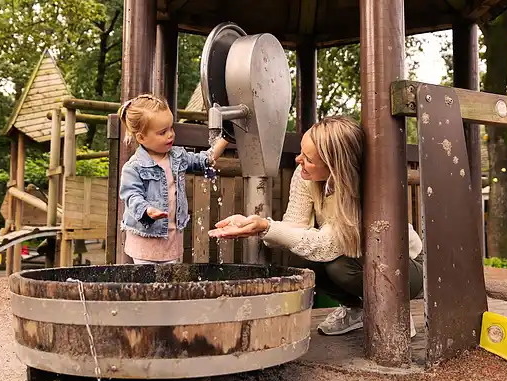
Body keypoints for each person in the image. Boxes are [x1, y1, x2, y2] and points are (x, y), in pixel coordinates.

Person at [208, 115, 423, 337]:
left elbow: (327, 245)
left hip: (405, 269)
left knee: (339, 267)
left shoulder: (365, 189)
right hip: (355, 257)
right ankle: (356, 310)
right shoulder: (305, 177)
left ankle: (394, 308)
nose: (298, 160)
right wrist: (255, 224)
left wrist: (265, 227)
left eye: (308, 158)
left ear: (334, 166)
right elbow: (294, 228)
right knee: (302, 260)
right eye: (301, 152)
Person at [119, 94, 229, 264]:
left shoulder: (178, 156)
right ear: (141, 137)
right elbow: (131, 196)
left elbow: (204, 160)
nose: (170, 135)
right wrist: (147, 210)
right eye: (162, 132)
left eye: (171, 128)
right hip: (146, 235)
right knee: (148, 283)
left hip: (171, 235)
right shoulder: (134, 167)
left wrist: (226, 138)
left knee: (170, 280)